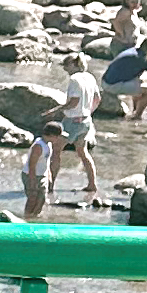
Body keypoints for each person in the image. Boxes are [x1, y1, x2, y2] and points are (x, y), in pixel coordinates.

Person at [48, 55, 101, 209]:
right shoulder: (90, 77)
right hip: (85, 121)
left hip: (72, 121)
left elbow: (73, 102)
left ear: (73, 64)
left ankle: (50, 186)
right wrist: (88, 112)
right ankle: (92, 184)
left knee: (56, 151)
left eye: (66, 65)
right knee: (83, 152)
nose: (64, 68)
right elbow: (97, 99)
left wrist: (56, 111)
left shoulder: (74, 80)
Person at [98, 0, 147, 123]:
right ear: (126, 1)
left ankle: (135, 107)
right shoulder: (125, 11)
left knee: (133, 75)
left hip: (130, 44)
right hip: (122, 45)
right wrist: (121, 34)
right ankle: (133, 107)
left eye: (136, 1)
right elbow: (115, 22)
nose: (135, 3)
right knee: (125, 72)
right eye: (132, 1)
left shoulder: (133, 11)